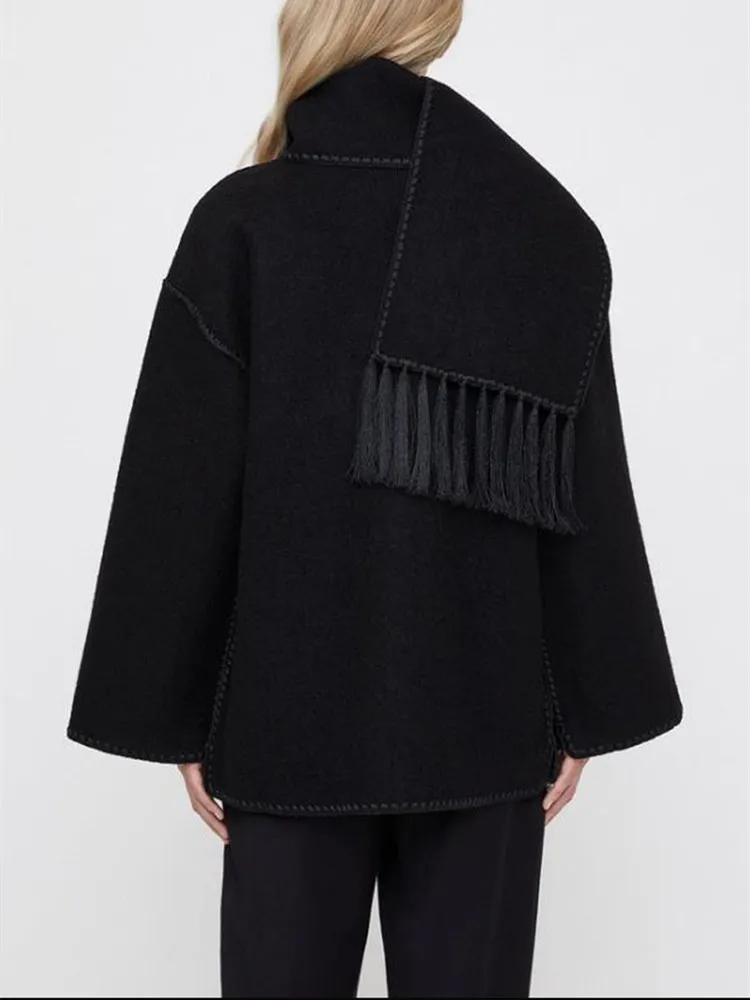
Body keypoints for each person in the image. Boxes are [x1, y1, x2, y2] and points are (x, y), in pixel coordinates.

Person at [67, 1, 683, 996]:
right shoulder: (535, 226)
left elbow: (180, 484)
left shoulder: (243, 222)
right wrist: (584, 696)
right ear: (425, 23)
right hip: (485, 721)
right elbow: (580, 479)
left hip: (284, 727)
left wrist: (178, 709)